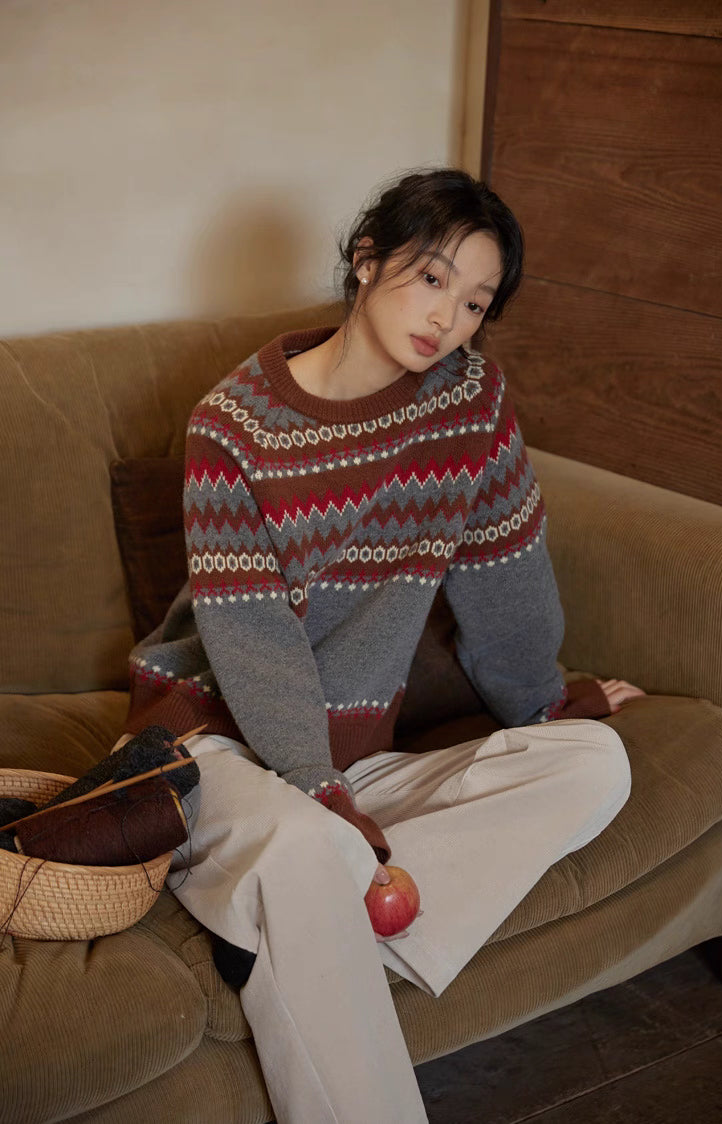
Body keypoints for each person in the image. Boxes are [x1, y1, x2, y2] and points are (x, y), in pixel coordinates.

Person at [122, 168, 643, 1123]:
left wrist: (549, 706)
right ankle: (302, 892)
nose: (448, 318)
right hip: (220, 748)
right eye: (433, 278)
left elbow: (507, 581)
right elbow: (252, 641)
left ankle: (294, 919)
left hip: (352, 775)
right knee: (305, 844)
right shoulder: (231, 426)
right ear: (367, 261)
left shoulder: (470, 404)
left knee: (594, 766)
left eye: (476, 301)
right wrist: (319, 796)